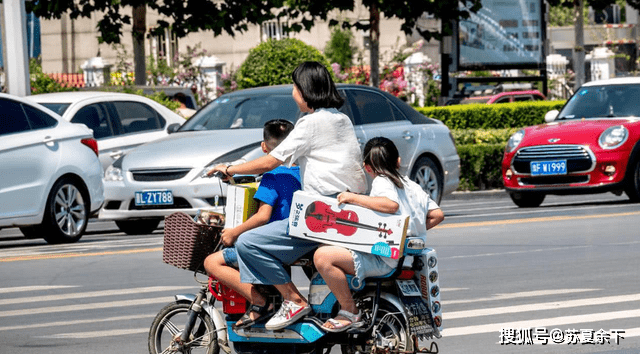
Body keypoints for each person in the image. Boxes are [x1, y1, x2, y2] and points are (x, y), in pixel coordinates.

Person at [207, 61, 367, 330]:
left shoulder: (310, 123)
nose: (293, 92)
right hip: (348, 209)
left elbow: (270, 161)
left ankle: (292, 300)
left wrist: (230, 168)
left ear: (305, 90)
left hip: (321, 213)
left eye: (295, 86)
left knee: (248, 242)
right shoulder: (342, 119)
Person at [313, 137, 445, 332]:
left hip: (383, 259)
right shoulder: (412, 185)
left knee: (322, 257)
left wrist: (353, 197)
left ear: (367, 167)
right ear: (398, 161)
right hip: (401, 258)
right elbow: (437, 215)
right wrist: (410, 232)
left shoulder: (382, 181)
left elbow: (390, 205)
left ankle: (349, 311)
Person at [203, 119, 300, 329]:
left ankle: (260, 302)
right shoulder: (302, 171)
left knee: (211, 262)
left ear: (264, 147)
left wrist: (233, 232)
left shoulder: (271, 176)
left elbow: (263, 216)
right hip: (299, 240)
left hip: (275, 243)